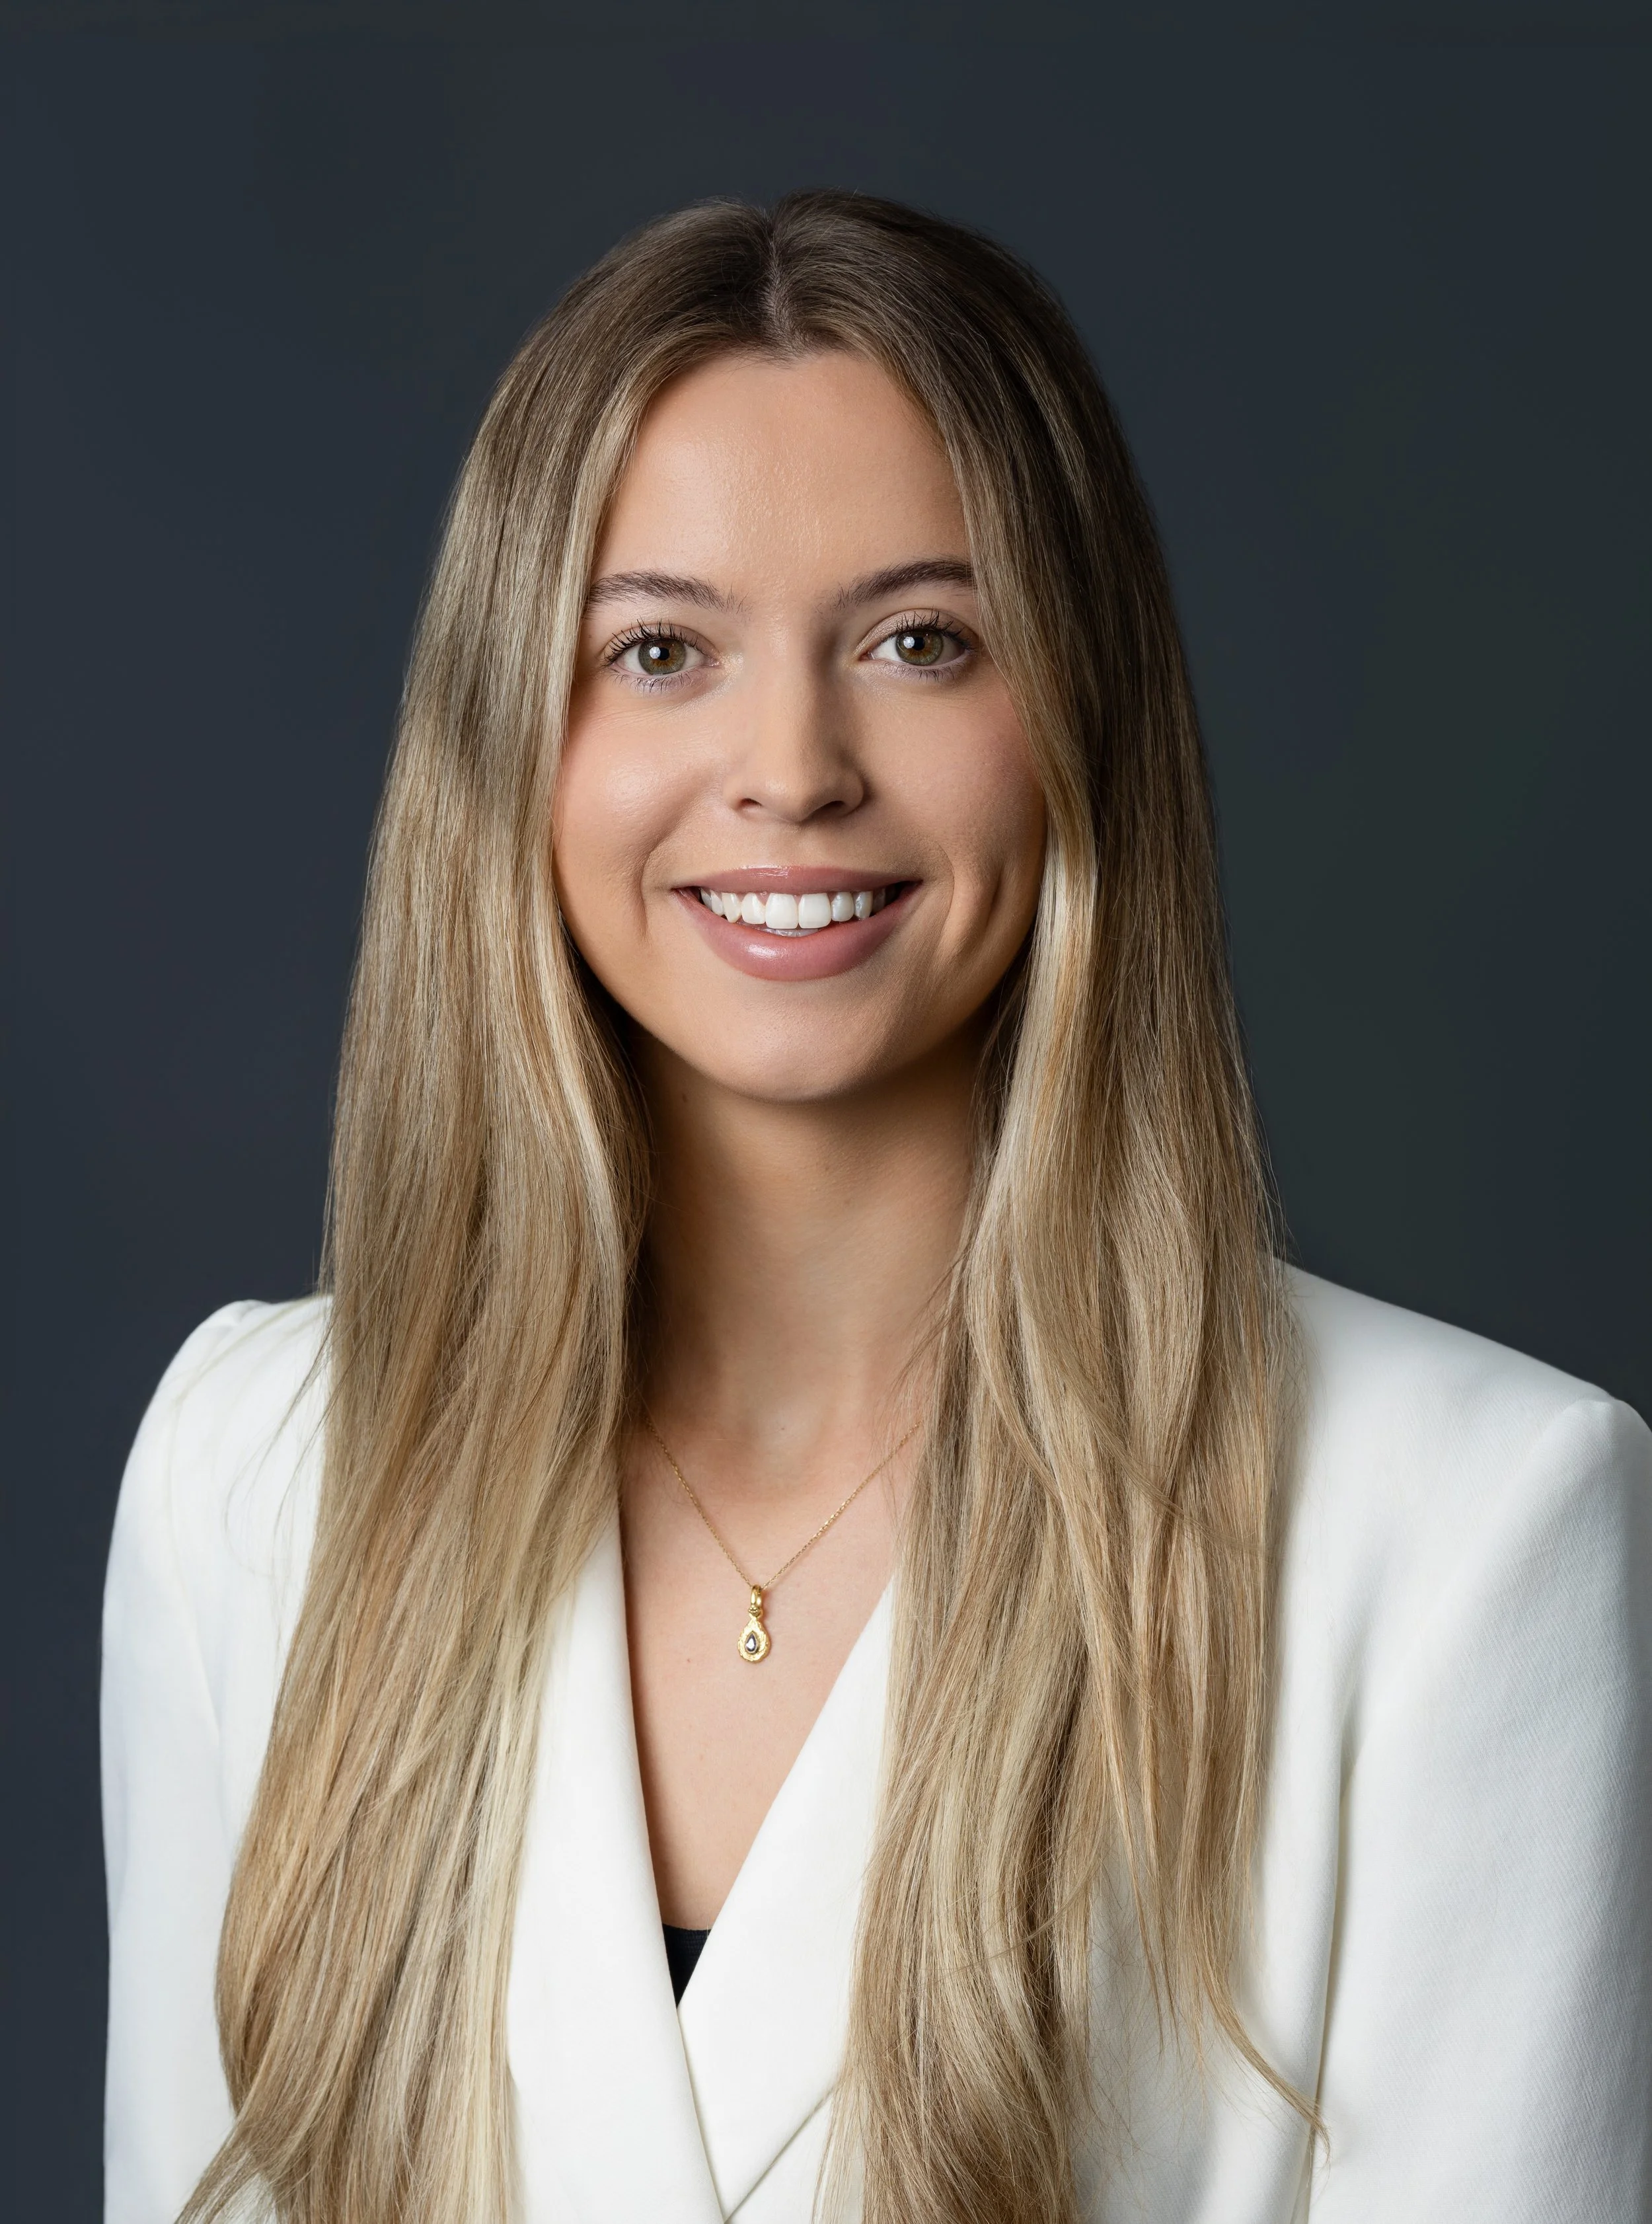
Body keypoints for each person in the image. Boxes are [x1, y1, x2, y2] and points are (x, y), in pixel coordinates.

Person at [102, 191, 1651, 2224]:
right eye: (656, 650)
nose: (790, 766)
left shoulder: (1467, 1524)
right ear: (511, 740)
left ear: (1078, 714)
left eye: (921, 641)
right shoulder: (252, 1468)